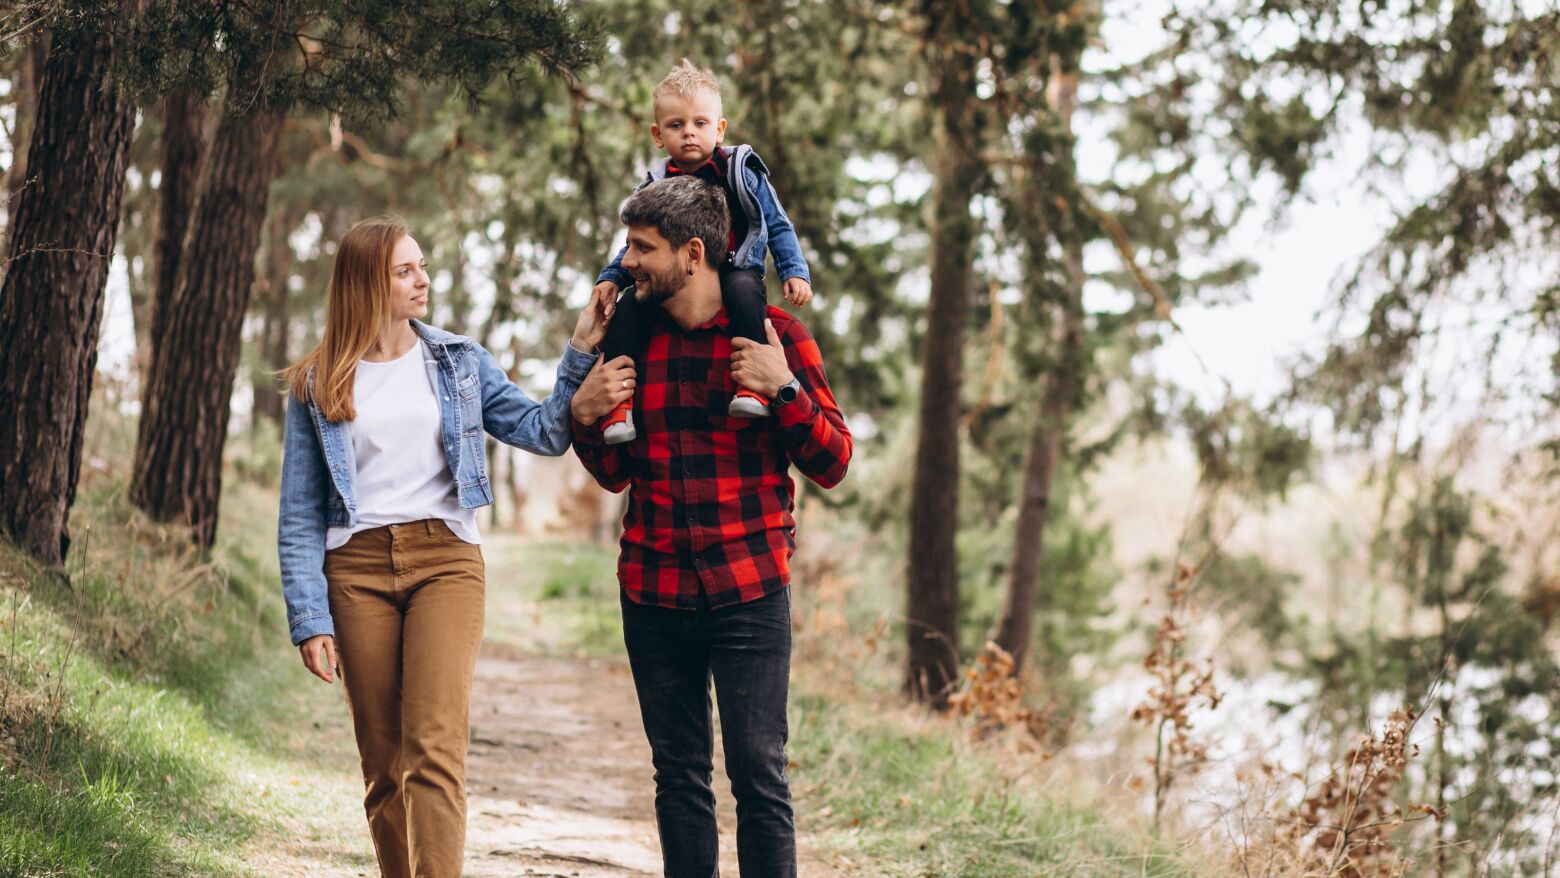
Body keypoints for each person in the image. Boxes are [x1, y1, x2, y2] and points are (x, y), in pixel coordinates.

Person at [276, 216, 610, 878]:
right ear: (366, 282)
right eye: (405, 270)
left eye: (422, 265)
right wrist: (309, 617)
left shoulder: (458, 361)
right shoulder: (318, 381)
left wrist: (578, 357)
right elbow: (299, 512)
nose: (422, 279)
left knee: (433, 749)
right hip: (356, 571)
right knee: (382, 761)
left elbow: (542, 431)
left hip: (445, 561)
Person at [570, 175, 851, 877]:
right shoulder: (631, 339)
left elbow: (834, 461)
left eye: (643, 248)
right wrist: (582, 414)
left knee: (759, 777)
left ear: (693, 253)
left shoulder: (775, 335)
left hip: (749, 592)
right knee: (680, 778)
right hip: (653, 588)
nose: (627, 262)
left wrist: (782, 388)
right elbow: (613, 475)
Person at [591, 58, 814, 444]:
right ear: (658, 135)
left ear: (720, 128)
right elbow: (637, 243)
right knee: (628, 309)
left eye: (700, 123)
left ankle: (753, 384)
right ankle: (618, 403)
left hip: (735, 265)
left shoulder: (740, 170)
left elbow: (776, 222)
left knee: (745, 295)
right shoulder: (654, 185)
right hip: (675, 281)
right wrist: (613, 277)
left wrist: (794, 270)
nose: (689, 134)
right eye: (676, 126)